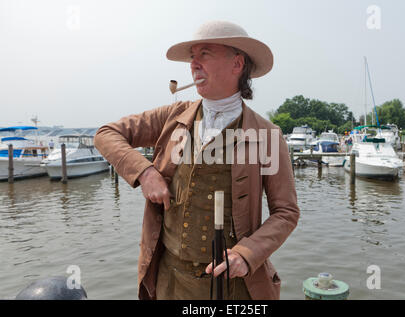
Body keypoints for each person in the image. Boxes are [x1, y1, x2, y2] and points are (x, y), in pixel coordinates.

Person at [94, 20, 300, 300]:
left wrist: (247, 254)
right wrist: (145, 172)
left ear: (237, 63)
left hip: (234, 286)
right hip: (169, 279)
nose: (194, 64)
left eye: (205, 54)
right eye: (192, 57)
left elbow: (286, 212)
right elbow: (107, 134)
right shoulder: (171, 116)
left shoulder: (268, 135)